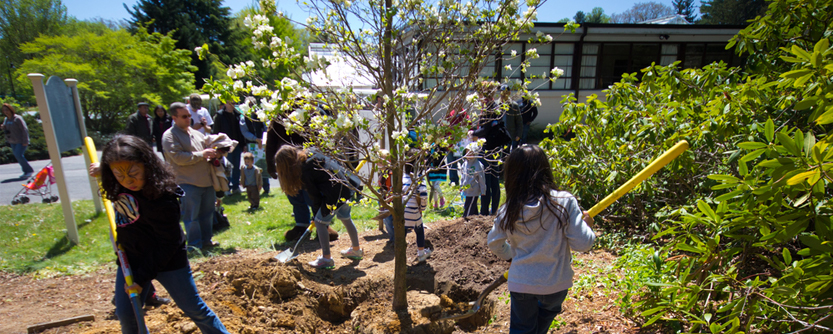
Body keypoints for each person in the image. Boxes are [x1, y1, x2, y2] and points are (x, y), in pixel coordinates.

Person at [93, 135, 229, 334]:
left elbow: (169, 242)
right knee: (127, 314)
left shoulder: (163, 197)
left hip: (168, 260)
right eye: (119, 175)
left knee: (193, 308)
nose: (128, 181)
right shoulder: (117, 184)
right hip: (132, 259)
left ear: (147, 165)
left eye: (133, 173)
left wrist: (140, 280)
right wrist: (105, 172)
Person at [487, 145, 596, 334]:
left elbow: (494, 242)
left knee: (523, 328)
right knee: (541, 323)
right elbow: (582, 244)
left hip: (522, 284)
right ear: (545, 169)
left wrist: (511, 254)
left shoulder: (508, 209)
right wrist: (587, 225)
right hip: (556, 284)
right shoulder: (564, 202)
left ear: (511, 176)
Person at [273, 145, 363, 269]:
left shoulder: (304, 170)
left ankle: (326, 259)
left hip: (335, 194)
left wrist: (317, 216)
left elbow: (314, 196)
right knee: (345, 217)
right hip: (346, 187)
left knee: (320, 223)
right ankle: (356, 250)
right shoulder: (312, 152)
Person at [266, 117, 339, 242]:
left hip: (305, 164)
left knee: (310, 195)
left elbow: (320, 137)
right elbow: (271, 142)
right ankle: (301, 224)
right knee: (295, 196)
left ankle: (321, 224)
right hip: (285, 164)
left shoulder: (308, 115)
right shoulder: (277, 121)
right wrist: (271, 166)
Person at [162, 102, 219, 250]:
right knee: (192, 217)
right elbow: (178, 158)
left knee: (207, 214)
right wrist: (202, 154)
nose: (189, 119)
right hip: (187, 182)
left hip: (206, 181)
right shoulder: (169, 136)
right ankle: (194, 245)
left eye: (189, 116)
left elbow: (207, 147)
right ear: (174, 118)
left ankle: (207, 240)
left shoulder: (196, 133)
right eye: (184, 116)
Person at [470, 82, 508, 216]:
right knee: (493, 178)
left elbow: (485, 129)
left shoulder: (489, 107)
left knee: (486, 178)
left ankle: (485, 211)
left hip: (488, 148)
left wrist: (473, 133)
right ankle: (492, 210)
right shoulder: (494, 106)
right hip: (495, 147)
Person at [402, 157, 432, 262]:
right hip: (413, 210)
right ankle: (421, 253)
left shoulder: (403, 177)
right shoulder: (419, 180)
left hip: (402, 210)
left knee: (403, 231)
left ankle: (400, 255)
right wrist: (422, 209)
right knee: (419, 231)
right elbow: (423, 196)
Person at [212, 100, 247, 193]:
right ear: (224, 103)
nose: (231, 105)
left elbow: (241, 131)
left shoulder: (237, 115)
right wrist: (217, 146)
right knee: (226, 167)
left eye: (233, 103)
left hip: (236, 145)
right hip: (224, 146)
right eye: (229, 103)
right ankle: (226, 188)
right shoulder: (219, 116)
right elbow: (215, 132)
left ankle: (235, 187)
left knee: (236, 166)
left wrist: (243, 144)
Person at [1, 103, 33, 178]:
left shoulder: (17, 118)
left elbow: (24, 130)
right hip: (12, 141)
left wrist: (26, 141)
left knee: (19, 155)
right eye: (4, 110)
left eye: (7, 110)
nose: (6, 112)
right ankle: (25, 171)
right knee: (17, 156)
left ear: (11, 110)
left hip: (21, 141)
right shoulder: (6, 119)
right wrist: (3, 127)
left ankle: (29, 170)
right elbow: (7, 129)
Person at [460, 146, 486, 218]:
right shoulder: (465, 164)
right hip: (467, 190)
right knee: (473, 208)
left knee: (468, 207)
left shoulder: (478, 165)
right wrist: (461, 186)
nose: (468, 154)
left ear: (475, 153)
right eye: (466, 152)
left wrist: (483, 190)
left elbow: (481, 178)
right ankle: (476, 219)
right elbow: (462, 176)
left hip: (474, 190)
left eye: (470, 153)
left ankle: (466, 219)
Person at [500, 84, 524, 151]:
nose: (503, 95)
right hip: (499, 136)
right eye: (502, 92)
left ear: (509, 93)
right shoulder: (497, 105)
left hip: (510, 135)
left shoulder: (514, 105)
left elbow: (519, 121)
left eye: (505, 93)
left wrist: (518, 135)